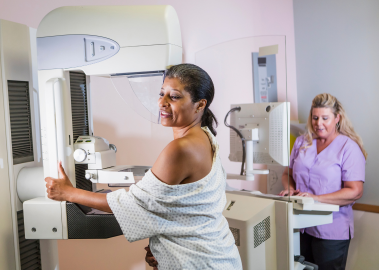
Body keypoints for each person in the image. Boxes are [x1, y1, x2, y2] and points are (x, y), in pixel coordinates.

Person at [45, 64, 242, 270]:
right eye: (161, 93)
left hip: (201, 262)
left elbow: (133, 204)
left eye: (174, 97)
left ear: (200, 105)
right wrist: (164, 248)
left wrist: (67, 192)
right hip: (214, 255)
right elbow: (188, 209)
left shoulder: (181, 149)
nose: (162, 103)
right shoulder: (206, 137)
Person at [279, 93, 367, 270]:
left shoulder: (348, 147)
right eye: (315, 117)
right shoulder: (302, 142)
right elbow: (286, 174)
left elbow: (355, 191)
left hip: (331, 230)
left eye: (325, 118)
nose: (319, 123)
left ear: (337, 118)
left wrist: (315, 198)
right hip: (301, 226)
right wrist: (290, 188)